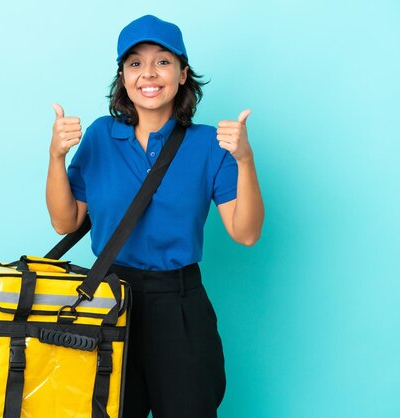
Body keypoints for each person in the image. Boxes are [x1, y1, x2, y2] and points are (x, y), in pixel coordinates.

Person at [46, 14, 264, 418]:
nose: (148, 73)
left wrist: (245, 160)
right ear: (123, 78)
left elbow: (246, 233)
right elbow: (65, 222)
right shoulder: (99, 136)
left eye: (163, 61)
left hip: (180, 305)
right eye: (135, 63)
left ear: (183, 74)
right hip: (108, 300)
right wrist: (56, 156)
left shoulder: (210, 146)